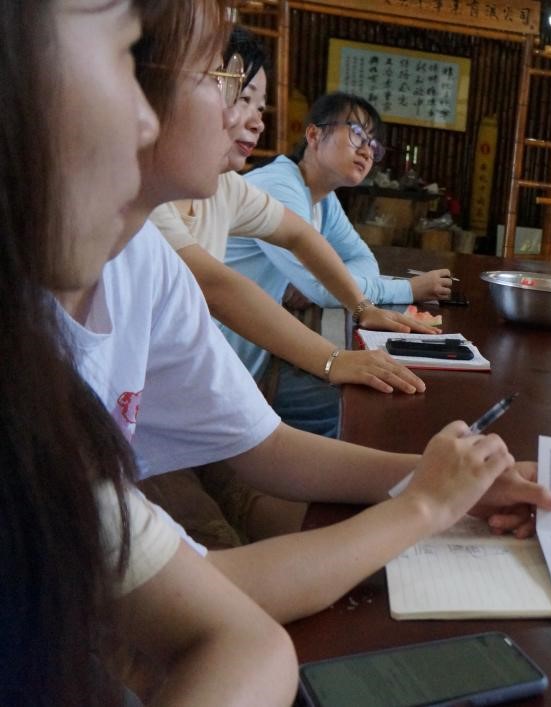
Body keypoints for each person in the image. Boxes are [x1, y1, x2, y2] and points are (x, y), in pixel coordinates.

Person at [59, 0, 551, 627]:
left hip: (212, 411)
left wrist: (447, 481)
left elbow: (267, 444)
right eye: (224, 82)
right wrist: (422, 501)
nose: (244, 117)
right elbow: (214, 611)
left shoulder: (147, 262)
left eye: (252, 98)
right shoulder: (183, 227)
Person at [1, 0, 296, 704]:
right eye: (222, 80)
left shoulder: (36, 388)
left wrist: (427, 494)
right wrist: (335, 364)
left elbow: (245, 640)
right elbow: (223, 288)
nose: (141, 121)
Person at [149, 28, 442, 437]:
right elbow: (219, 287)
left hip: (234, 373)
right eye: (239, 96)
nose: (254, 121)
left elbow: (303, 238)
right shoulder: (155, 196)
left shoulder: (230, 187)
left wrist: (362, 307)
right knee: (360, 412)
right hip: (193, 394)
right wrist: (333, 359)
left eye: (259, 106)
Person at [223, 91, 452, 387]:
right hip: (221, 367)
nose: (367, 152)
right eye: (357, 134)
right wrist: (408, 288)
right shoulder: (279, 185)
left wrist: (322, 281)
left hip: (250, 361)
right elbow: (324, 289)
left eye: (373, 145)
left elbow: (363, 260)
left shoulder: (323, 200)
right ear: (314, 135)